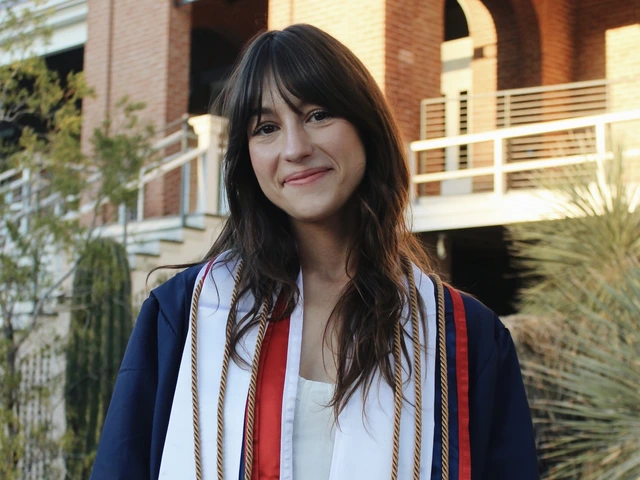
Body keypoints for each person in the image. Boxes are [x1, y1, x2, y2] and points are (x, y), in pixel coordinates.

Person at [91, 24, 538, 480]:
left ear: (366, 127)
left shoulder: (464, 338)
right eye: (265, 128)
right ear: (247, 158)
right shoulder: (184, 317)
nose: (295, 148)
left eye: (318, 114)